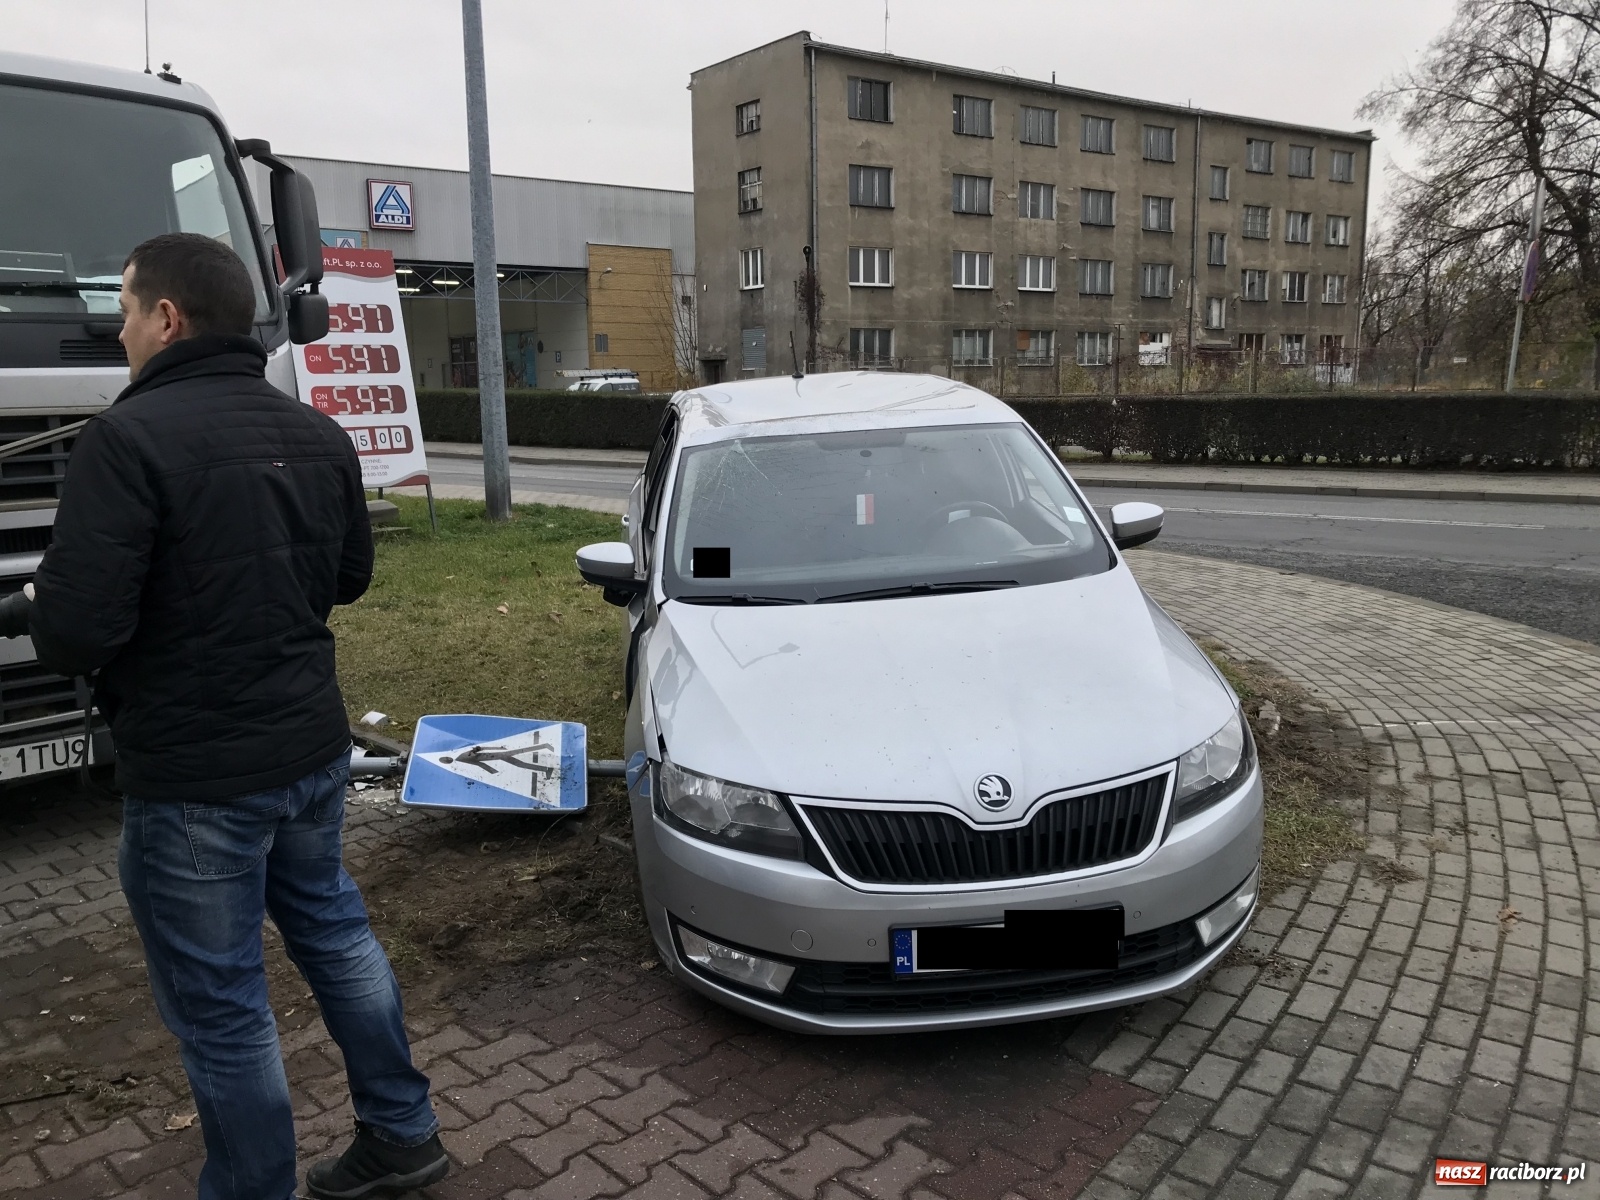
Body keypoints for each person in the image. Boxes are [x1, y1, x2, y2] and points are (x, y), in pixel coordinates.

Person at [21, 233, 447, 1200]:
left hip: (195, 782)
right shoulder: (316, 432)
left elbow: (79, 634)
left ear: (167, 319)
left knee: (221, 1005)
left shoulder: (122, 441)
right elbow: (348, 577)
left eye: (125, 311)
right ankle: (404, 1131)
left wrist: (44, 606)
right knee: (337, 934)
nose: (120, 330)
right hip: (308, 750)